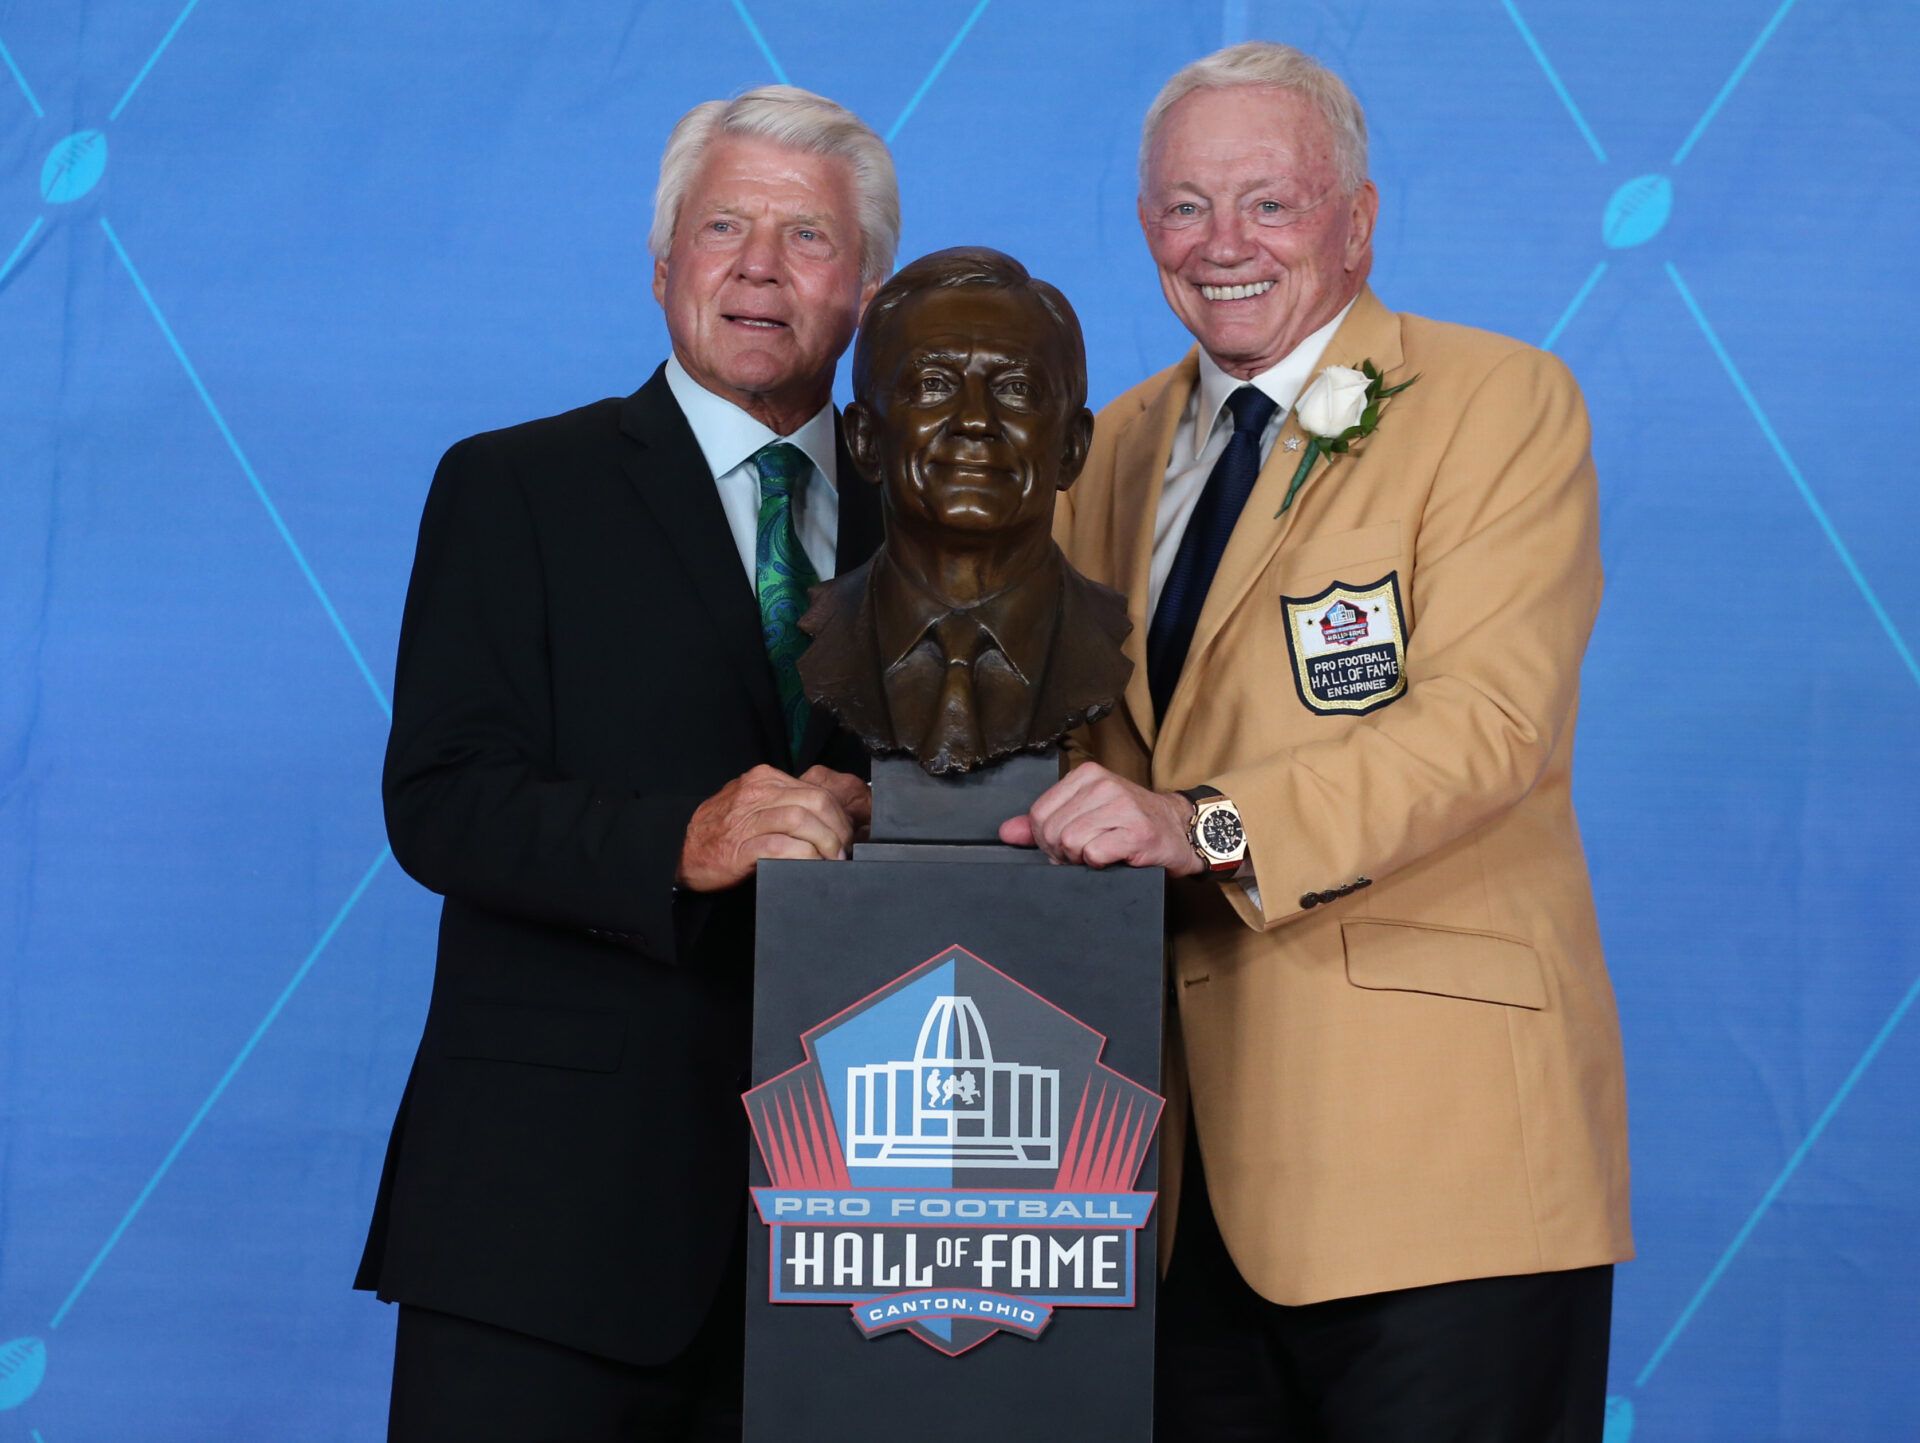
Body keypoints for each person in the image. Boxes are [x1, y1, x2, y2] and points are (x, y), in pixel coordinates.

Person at [1001, 42, 1632, 1441]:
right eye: (1182, 207)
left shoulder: (1500, 406)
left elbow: (1488, 725)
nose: (1222, 245)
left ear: (1357, 218)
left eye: (1268, 204)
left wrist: (1203, 821)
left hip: (1445, 1178)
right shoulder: (1098, 450)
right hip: (1167, 1190)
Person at [354, 85, 898, 1442]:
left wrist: (898, 817)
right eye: (723, 225)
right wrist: (684, 838)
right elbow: (442, 799)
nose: (759, 266)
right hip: (545, 1229)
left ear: (869, 287)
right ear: (663, 263)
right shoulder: (515, 487)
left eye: (806, 236)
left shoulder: (940, 528)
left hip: (853, 1243)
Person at [799, 246, 1131, 775]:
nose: (975, 420)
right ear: (865, 441)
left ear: (1071, 447)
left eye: (1016, 389)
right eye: (933, 386)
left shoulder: (1116, 638)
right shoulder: (813, 635)